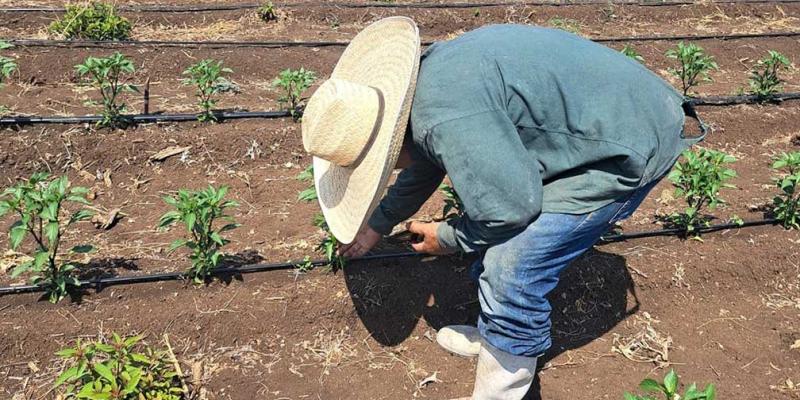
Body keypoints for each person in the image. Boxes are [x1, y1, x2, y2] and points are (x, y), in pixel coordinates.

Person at [301, 17, 705, 400]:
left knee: (514, 262)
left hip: (628, 145)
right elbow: (428, 156)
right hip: (613, 112)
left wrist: (448, 237)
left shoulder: (445, 118)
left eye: (384, 165)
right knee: (493, 216)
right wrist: (378, 224)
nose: (392, 168)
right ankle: (496, 334)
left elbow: (510, 210)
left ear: (392, 141)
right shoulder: (431, 83)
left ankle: (502, 385)